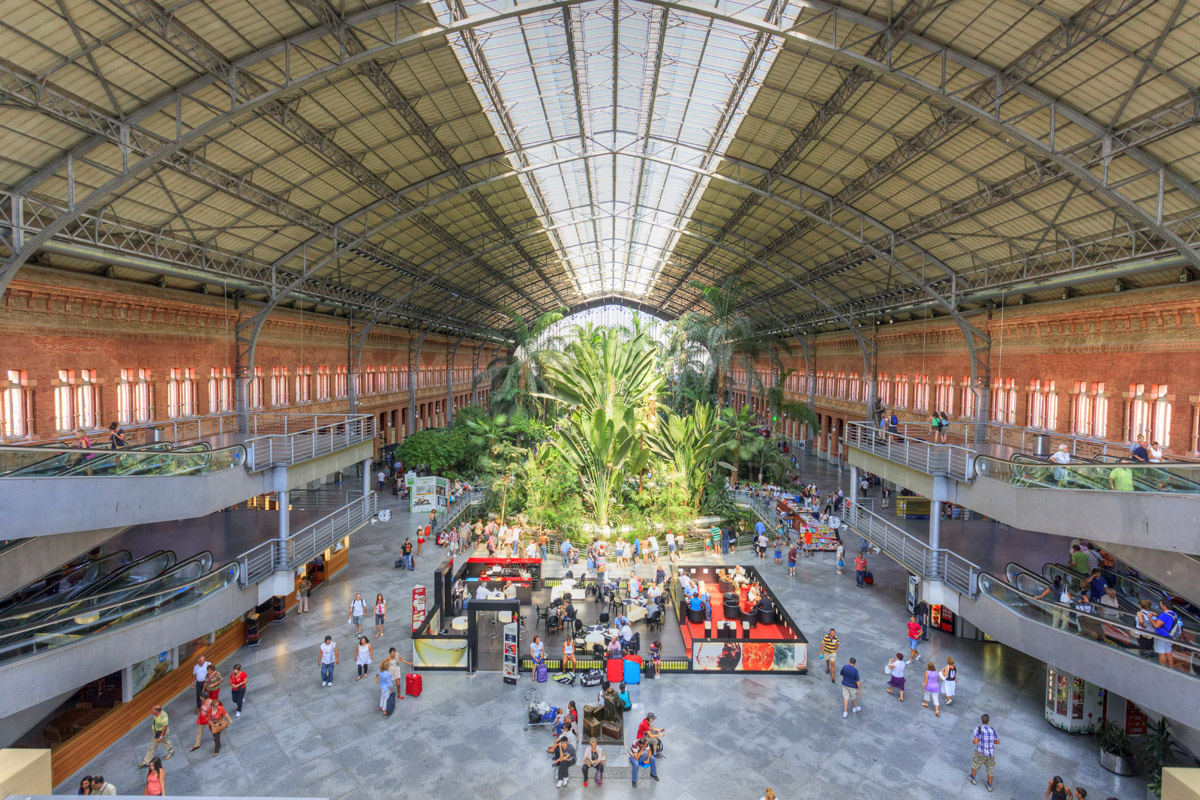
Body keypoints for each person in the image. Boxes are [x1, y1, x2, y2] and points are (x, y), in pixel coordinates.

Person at [970, 713, 999, 791]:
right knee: (990, 769)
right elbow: (998, 741)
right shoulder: (992, 730)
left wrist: (975, 740)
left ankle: (972, 779)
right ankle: (989, 786)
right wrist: (989, 741)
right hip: (990, 754)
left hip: (980, 752)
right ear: (988, 721)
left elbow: (975, 741)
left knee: (975, 765)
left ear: (981, 720)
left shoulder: (978, 729)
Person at [1152, 599, 1181, 669]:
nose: (1160, 605)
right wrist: (1158, 616)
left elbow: (1156, 625)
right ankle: (1171, 667)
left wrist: (1150, 618)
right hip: (1170, 636)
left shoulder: (1164, 615)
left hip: (1162, 636)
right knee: (1168, 651)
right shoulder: (1174, 614)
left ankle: (1163, 668)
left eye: (1160, 604)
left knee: (1161, 653)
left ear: (1163, 604)